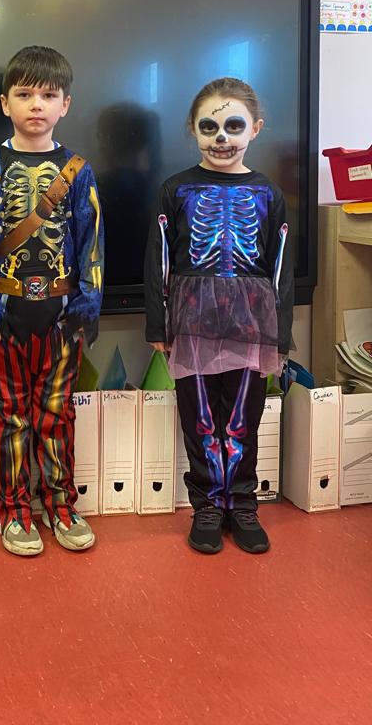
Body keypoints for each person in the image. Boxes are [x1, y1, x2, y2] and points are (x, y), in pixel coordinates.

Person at [0, 46, 104, 556]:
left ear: (65, 104)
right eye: (24, 94)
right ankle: (14, 508)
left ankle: (61, 503)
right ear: (5, 103)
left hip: (61, 317)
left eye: (48, 95)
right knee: (9, 416)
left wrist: (87, 307)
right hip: (5, 314)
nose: (36, 105)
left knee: (56, 414)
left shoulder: (78, 170)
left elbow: (92, 243)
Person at [144, 78, 293, 555]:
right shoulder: (175, 189)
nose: (222, 137)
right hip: (192, 324)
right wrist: (157, 325)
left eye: (234, 126)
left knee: (243, 419)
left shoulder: (268, 193)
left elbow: (281, 267)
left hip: (253, 326)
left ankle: (242, 504)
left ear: (256, 129)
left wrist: (281, 335)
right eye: (209, 127)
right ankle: (207, 505)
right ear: (193, 129)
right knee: (201, 419)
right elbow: (158, 260)